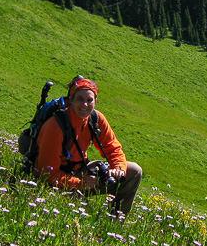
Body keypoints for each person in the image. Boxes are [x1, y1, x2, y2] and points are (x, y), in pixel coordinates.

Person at [33, 76, 143, 215]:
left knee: (134, 171)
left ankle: (117, 220)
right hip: (54, 182)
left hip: (82, 173)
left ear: (95, 101)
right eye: (80, 99)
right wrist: (79, 184)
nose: (85, 105)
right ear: (71, 101)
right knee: (87, 215)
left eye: (89, 100)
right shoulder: (55, 126)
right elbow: (48, 173)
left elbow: (113, 147)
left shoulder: (96, 118)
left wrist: (118, 167)